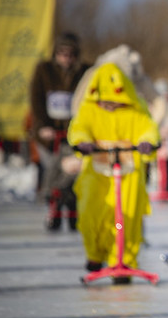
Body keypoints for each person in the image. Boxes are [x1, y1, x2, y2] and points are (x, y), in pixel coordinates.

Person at [68, 62, 160, 283]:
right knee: (90, 213)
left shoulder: (135, 109)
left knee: (127, 215)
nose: (108, 106)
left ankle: (123, 260)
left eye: (113, 101)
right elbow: (79, 127)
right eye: (104, 101)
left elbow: (148, 128)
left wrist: (147, 141)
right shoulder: (89, 109)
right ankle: (95, 253)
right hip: (96, 172)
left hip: (128, 172)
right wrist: (82, 141)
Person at [29, 32, 90, 207]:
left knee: (73, 168)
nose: (66, 58)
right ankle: (50, 194)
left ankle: (68, 198)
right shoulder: (44, 70)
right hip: (49, 130)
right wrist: (42, 126)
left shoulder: (84, 72)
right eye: (62, 53)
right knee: (53, 164)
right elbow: (36, 100)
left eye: (71, 54)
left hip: (73, 131)